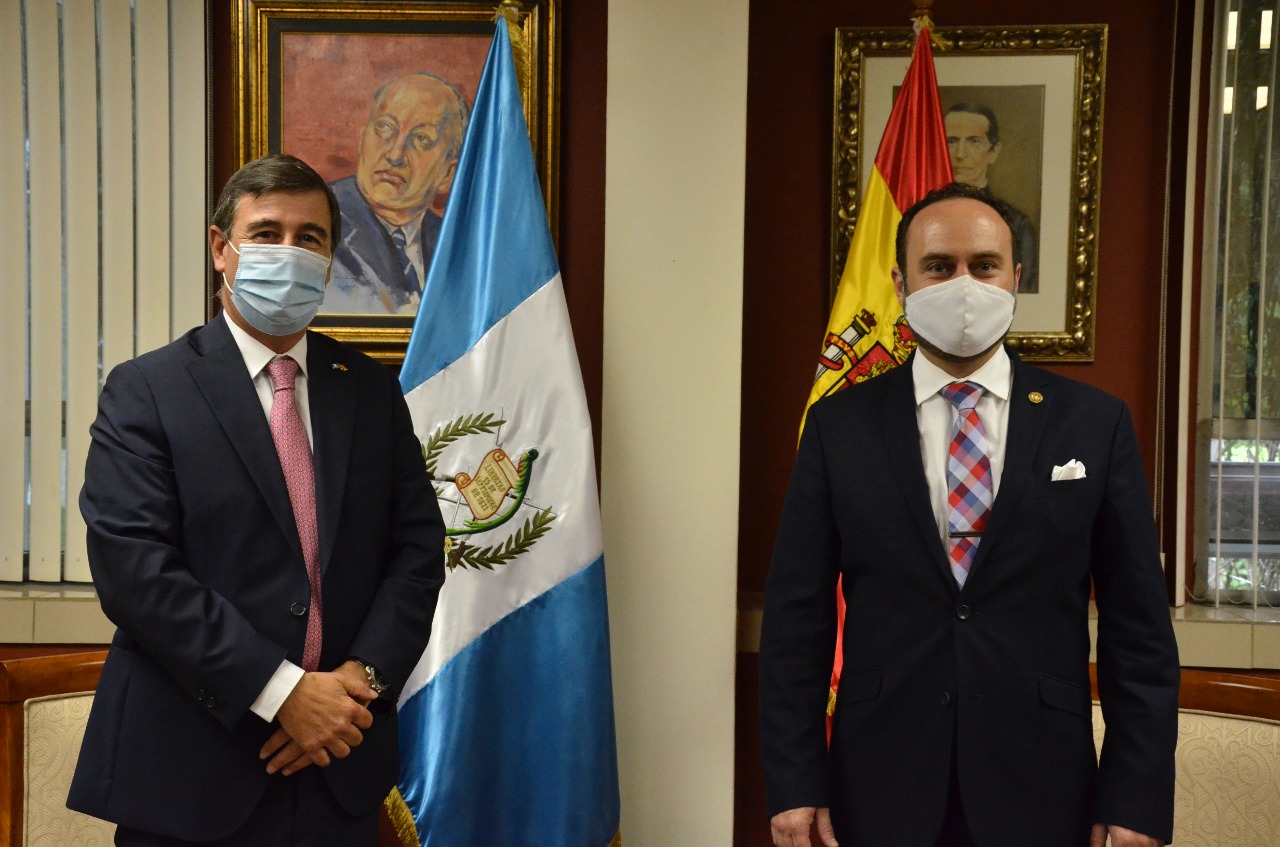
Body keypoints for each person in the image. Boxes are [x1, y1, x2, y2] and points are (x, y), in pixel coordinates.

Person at [759, 183, 1179, 847]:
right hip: (879, 784)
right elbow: (795, 621)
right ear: (901, 283)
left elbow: (1140, 632)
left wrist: (1136, 797)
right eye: (938, 266)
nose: (963, 284)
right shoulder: (839, 427)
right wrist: (794, 780)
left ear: (1015, 277)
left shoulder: (1094, 424)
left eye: (984, 265)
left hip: (1043, 785)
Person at [67, 154, 446, 846]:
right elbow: (135, 570)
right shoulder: (147, 390)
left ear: (329, 261)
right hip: (192, 774)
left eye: (310, 238)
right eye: (267, 233)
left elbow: (417, 553)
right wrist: (282, 692)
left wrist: (354, 686)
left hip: (339, 763)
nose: (288, 252)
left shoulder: (369, 390)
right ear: (222, 248)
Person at [323, 73, 469, 315]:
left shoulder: (458, 246)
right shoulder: (319, 222)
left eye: (421, 139)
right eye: (385, 127)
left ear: (447, 173)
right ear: (362, 140)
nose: (395, 155)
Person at [945, 103, 1039, 294]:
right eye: (952, 141)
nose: (960, 154)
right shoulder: (916, 221)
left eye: (974, 142)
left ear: (993, 152)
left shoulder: (1018, 226)